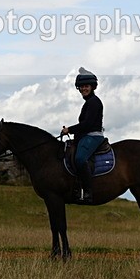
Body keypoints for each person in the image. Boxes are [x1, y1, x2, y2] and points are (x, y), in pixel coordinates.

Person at [61, 67, 104, 203]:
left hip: (93, 136)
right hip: (86, 135)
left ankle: (88, 193)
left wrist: (70, 130)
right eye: (81, 87)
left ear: (92, 87)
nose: (83, 89)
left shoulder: (94, 103)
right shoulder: (88, 103)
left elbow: (87, 124)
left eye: (86, 86)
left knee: (80, 159)